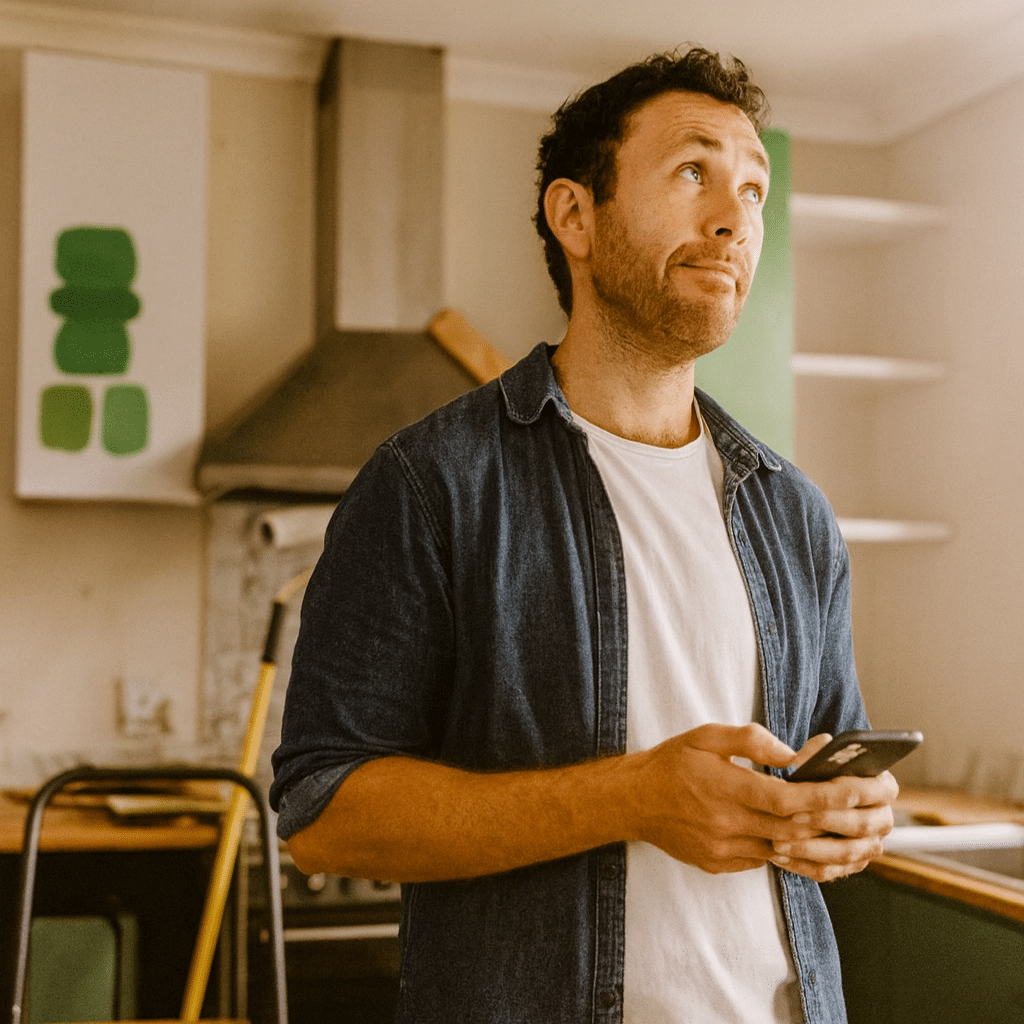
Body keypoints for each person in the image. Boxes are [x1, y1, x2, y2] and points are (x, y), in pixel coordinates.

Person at [270, 46, 897, 1024]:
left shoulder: (794, 511)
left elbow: (832, 763)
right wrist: (634, 796)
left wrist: (850, 821)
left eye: (753, 188)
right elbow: (321, 813)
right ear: (575, 215)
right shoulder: (430, 483)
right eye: (692, 170)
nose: (733, 218)